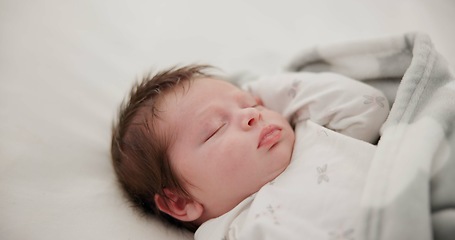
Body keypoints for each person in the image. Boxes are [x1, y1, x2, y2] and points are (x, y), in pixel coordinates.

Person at [111, 64, 389, 239]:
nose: (251, 115)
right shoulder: (229, 230)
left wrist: (256, 89)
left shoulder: (312, 133)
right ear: (180, 202)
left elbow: (370, 105)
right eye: (216, 128)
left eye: (254, 103)